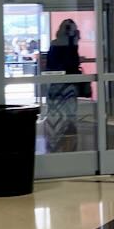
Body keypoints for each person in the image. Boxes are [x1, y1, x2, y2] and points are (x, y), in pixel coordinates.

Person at [44, 19, 84, 153]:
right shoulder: (70, 45)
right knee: (69, 118)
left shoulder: (55, 43)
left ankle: (55, 146)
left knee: (57, 118)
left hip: (57, 85)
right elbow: (71, 63)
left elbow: (51, 64)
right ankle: (68, 148)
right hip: (67, 86)